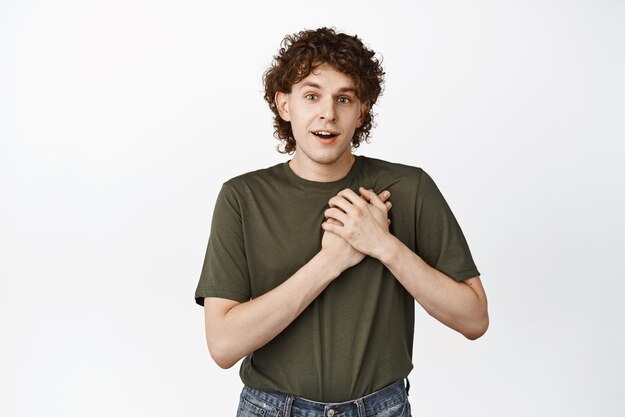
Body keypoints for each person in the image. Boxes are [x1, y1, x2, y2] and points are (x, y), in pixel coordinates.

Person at [195, 27, 488, 417]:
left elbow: (474, 318)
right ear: (285, 105)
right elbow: (223, 346)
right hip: (271, 407)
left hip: (381, 407)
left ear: (361, 110)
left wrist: (383, 245)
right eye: (312, 95)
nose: (328, 113)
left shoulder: (409, 187)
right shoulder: (242, 197)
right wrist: (331, 261)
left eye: (344, 98)